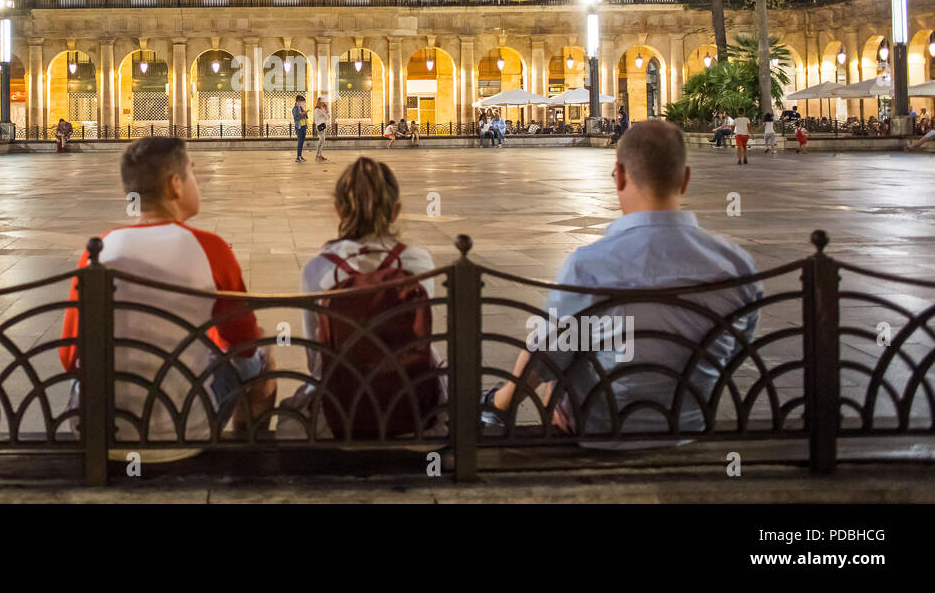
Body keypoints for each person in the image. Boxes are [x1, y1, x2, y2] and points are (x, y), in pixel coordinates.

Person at [481, 120, 761, 442]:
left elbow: (545, 359)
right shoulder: (737, 265)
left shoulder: (589, 265)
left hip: (601, 428)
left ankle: (497, 407)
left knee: (564, 358)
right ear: (684, 180)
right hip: (689, 425)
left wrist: (498, 403)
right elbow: (735, 349)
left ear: (621, 176)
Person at [58, 137, 275, 442]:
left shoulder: (100, 249)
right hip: (183, 425)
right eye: (193, 173)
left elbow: (69, 356)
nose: (197, 182)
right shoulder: (210, 249)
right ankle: (248, 457)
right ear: (175, 185)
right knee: (262, 358)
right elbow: (245, 346)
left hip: (99, 428)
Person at [279, 157, 439, 439]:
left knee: (288, 417)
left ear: (339, 211)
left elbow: (316, 358)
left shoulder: (318, 269)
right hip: (412, 405)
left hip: (340, 411)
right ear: (396, 211)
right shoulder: (419, 262)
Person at [292, 94, 308, 163]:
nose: (303, 103)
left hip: (303, 126)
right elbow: (296, 118)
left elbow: (306, 117)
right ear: (298, 101)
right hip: (299, 127)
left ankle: (300, 156)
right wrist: (303, 114)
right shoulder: (295, 109)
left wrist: (305, 114)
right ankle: (298, 157)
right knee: (300, 142)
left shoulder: (301, 108)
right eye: (303, 102)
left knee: (302, 142)